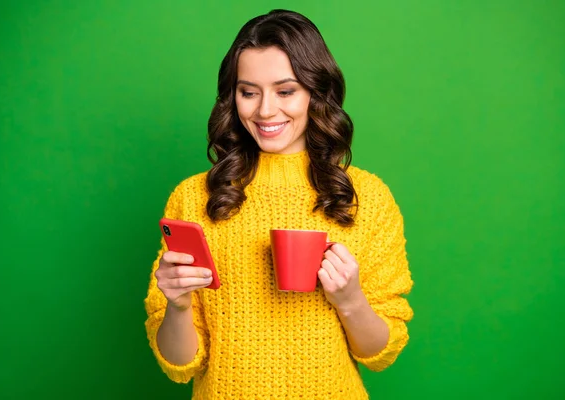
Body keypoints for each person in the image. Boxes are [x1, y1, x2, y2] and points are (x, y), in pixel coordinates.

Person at [144, 9, 413, 400]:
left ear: (316, 92)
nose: (265, 110)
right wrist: (179, 306)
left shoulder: (365, 196)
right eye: (248, 92)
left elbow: (378, 355)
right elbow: (180, 365)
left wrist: (350, 298)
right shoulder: (194, 197)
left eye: (285, 91)